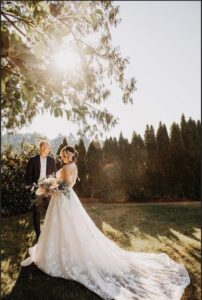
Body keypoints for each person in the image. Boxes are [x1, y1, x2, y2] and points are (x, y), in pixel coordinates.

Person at [21, 145, 190, 300]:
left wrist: (50, 186)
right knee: (72, 227)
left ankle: (60, 254)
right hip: (69, 199)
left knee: (64, 226)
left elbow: (63, 184)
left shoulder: (66, 167)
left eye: (64, 155)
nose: (62, 157)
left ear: (69, 156)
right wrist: (52, 186)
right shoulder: (74, 166)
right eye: (63, 155)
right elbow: (68, 185)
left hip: (64, 200)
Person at [25, 140, 56, 241]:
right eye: (42, 148)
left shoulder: (52, 160)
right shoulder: (33, 160)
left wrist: (51, 187)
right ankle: (38, 233)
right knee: (36, 211)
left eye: (46, 148)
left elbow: (54, 175)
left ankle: (49, 232)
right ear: (40, 148)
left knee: (49, 210)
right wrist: (31, 188)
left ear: (49, 149)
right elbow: (28, 176)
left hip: (48, 189)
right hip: (37, 188)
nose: (44, 150)